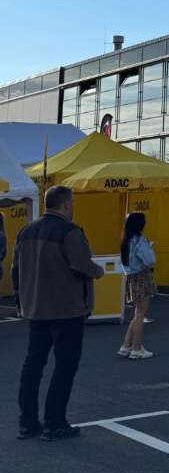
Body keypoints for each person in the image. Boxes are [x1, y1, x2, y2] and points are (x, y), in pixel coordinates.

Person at [12, 185, 104, 441]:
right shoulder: (69, 231)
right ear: (65, 205)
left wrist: (22, 301)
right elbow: (81, 265)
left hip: (36, 309)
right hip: (66, 309)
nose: (73, 207)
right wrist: (99, 271)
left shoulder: (25, 231)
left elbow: (15, 270)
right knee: (64, 366)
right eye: (72, 203)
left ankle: (28, 423)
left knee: (33, 366)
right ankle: (55, 422)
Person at [119, 212, 156, 358]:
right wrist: (150, 247)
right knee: (141, 314)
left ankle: (126, 345)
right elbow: (150, 260)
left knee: (137, 313)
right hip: (141, 277)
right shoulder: (140, 241)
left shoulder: (125, 240)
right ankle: (136, 348)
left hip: (131, 277)